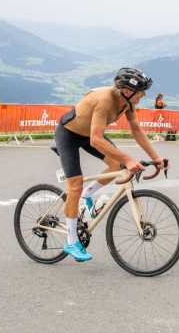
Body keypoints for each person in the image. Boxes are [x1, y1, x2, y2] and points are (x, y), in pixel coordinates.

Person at [54, 67, 167, 262]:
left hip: (89, 134)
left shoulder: (128, 104)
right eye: (140, 92)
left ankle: (87, 195)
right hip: (69, 135)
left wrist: (156, 158)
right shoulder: (105, 101)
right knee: (75, 185)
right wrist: (129, 160)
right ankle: (71, 241)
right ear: (127, 91)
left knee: (117, 166)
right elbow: (96, 140)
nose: (143, 95)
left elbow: (137, 131)